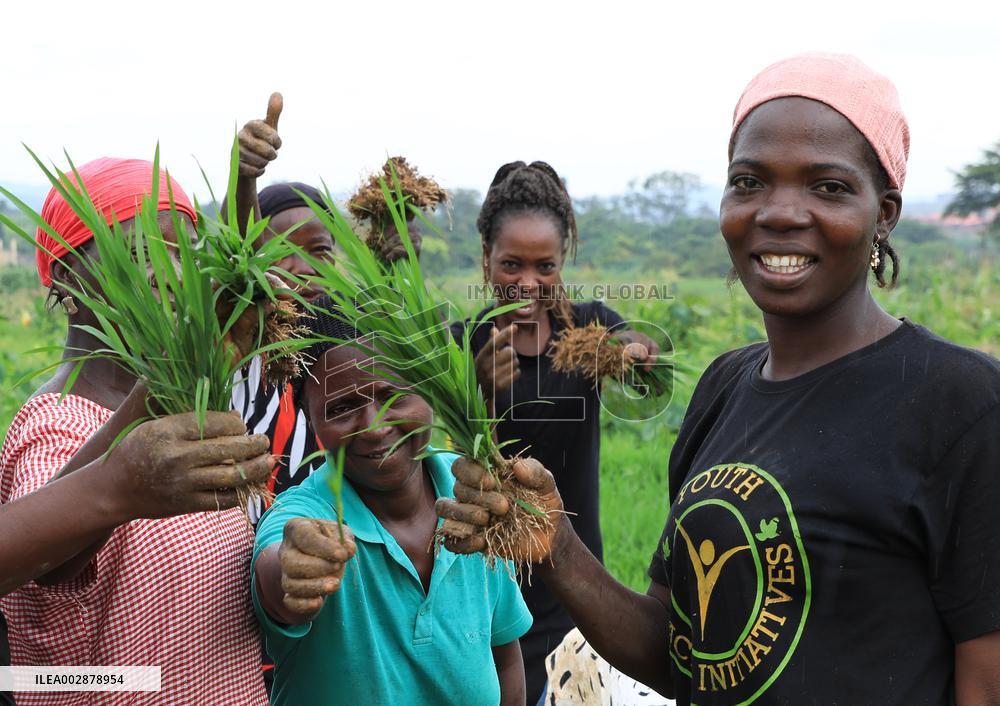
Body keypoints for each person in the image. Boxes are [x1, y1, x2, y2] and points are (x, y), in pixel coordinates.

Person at [438, 54, 1000, 705]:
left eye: (829, 187)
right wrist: (557, 546)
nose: (781, 212)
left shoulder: (962, 405)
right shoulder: (725, 389)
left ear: (886, 213)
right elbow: (680, 651)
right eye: (750, 181)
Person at [0, 157, 273, 705]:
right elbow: (50, 562)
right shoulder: (56, 425)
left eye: (187, 255)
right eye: (142, 253)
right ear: (68, 276)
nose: (170, 272)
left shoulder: (179, 414)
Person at [250, 297, 532, 705]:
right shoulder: (304, 514)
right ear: (309, 418)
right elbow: (278, 575)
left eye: (393, 395)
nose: (376, 427)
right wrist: (296, 569)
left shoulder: (473, 492)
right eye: (342, 408)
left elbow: (504, 655)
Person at [449, 160, 659, 704]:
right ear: (486, 260)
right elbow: (446, 459)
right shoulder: (463, 343)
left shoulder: (588, 328)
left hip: (575, 576)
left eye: (544, 266)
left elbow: (640, 361)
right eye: (510, 264)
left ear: (562, 260)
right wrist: (478, 394)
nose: (527, 283)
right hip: (486, 583)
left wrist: (635, 355)